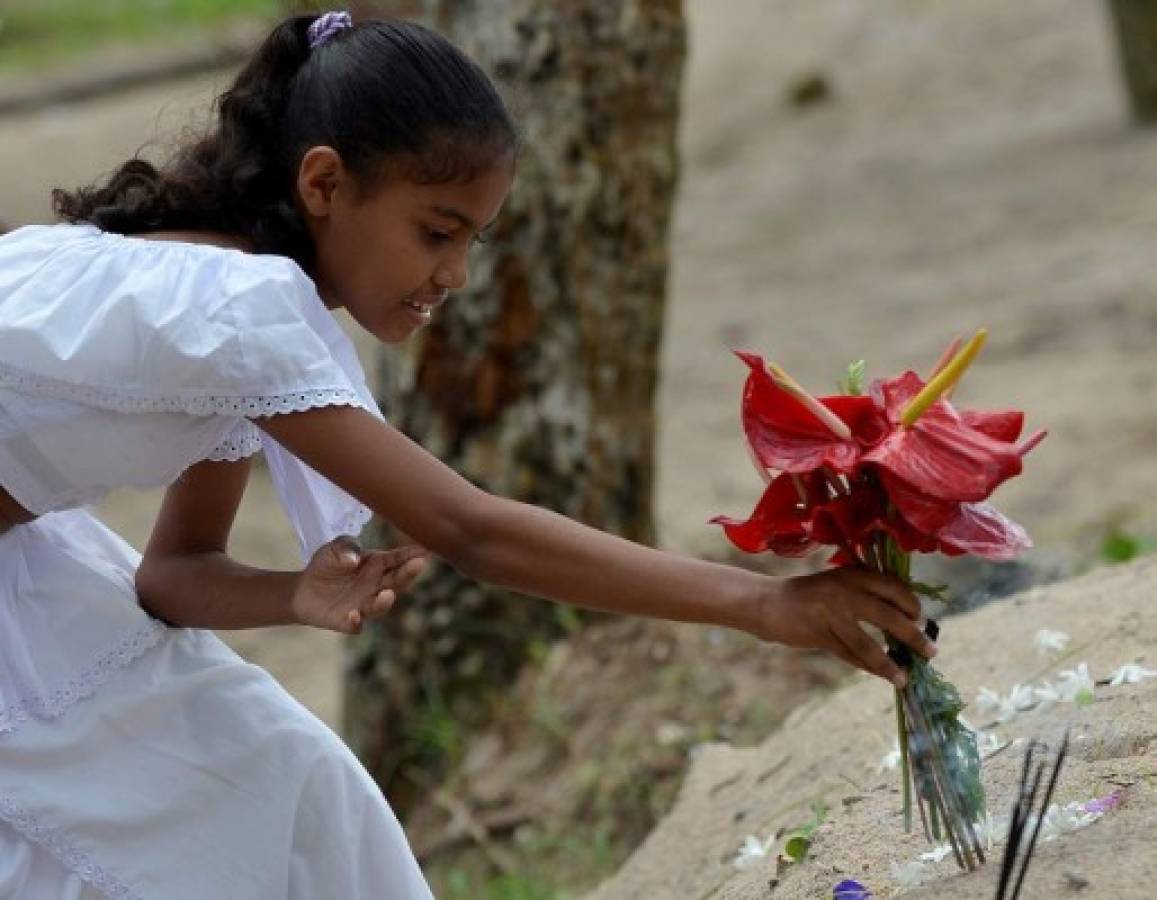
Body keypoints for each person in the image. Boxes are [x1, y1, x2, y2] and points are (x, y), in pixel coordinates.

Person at [0, 11, 935, 899]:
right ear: (323, 185)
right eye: (436, 232)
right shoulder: (236, 310)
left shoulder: (217, 297)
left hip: (27, 576)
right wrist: (764, 605)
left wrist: (291, 594)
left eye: (474, 240)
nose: (455, 275)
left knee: (292, 787)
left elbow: (173, 575)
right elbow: (468, 529)